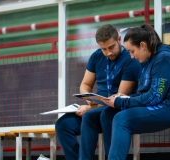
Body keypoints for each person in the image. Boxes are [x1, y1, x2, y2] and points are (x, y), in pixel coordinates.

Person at [102, 24, 170, 160]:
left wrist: (122, 101)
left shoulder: (164, 58)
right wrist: (124, 97)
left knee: (122, 119)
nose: (131, 56)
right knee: (109, 113)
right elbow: (144, 93)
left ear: (143, 45)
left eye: (132, 51)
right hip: (163, 103)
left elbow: (154, 97)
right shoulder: (147, 60)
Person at [55, 24, 141, 160]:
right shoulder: (96, 57)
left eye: (111, 47)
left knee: (93, 116)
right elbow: (85, 84)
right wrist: (88, 98)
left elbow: (118, 99)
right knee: (63, 124)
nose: (108, 53)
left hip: (116, 108)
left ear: (119, 39)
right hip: (96, 107)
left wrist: (90, 107)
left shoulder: (130, 60)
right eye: (104, 49)